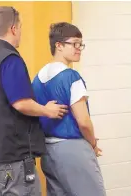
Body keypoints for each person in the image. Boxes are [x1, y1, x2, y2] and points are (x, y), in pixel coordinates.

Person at [0, 6, 68, 196]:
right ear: (14, 28)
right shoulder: (9, 59)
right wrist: (47, 110)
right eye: (21, 27)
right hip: (10, 157)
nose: (21, 32)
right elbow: (21, 103)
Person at [32, 22, 106, 196]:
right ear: (58, 45)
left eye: (81, 44)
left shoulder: (38, 78)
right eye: (74, 44)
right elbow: (83, 121)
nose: (79, 48)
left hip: (48, 152)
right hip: (73, 149)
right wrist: (93, 144)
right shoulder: (71, 77)